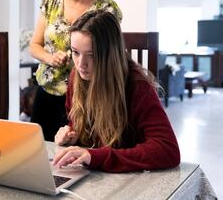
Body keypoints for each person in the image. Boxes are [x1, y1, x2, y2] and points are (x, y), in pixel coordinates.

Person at [53, 10, 180, 172]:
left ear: (110, 55)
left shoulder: (138, 86)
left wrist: (97, 157)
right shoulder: (75, 78)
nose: (80, 64)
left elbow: (167, 150)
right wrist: (72, 133)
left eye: (91, 55)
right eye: (75, 52)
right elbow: (85, 127)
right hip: (92, 175)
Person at [29, 0, 122, 141]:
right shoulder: (50, 1)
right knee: (37, 154)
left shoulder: (107, 9)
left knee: (78, 157)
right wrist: (50, 58)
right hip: (48, 92)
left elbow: (112, 57)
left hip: (87, 96)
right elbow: (34, 46)